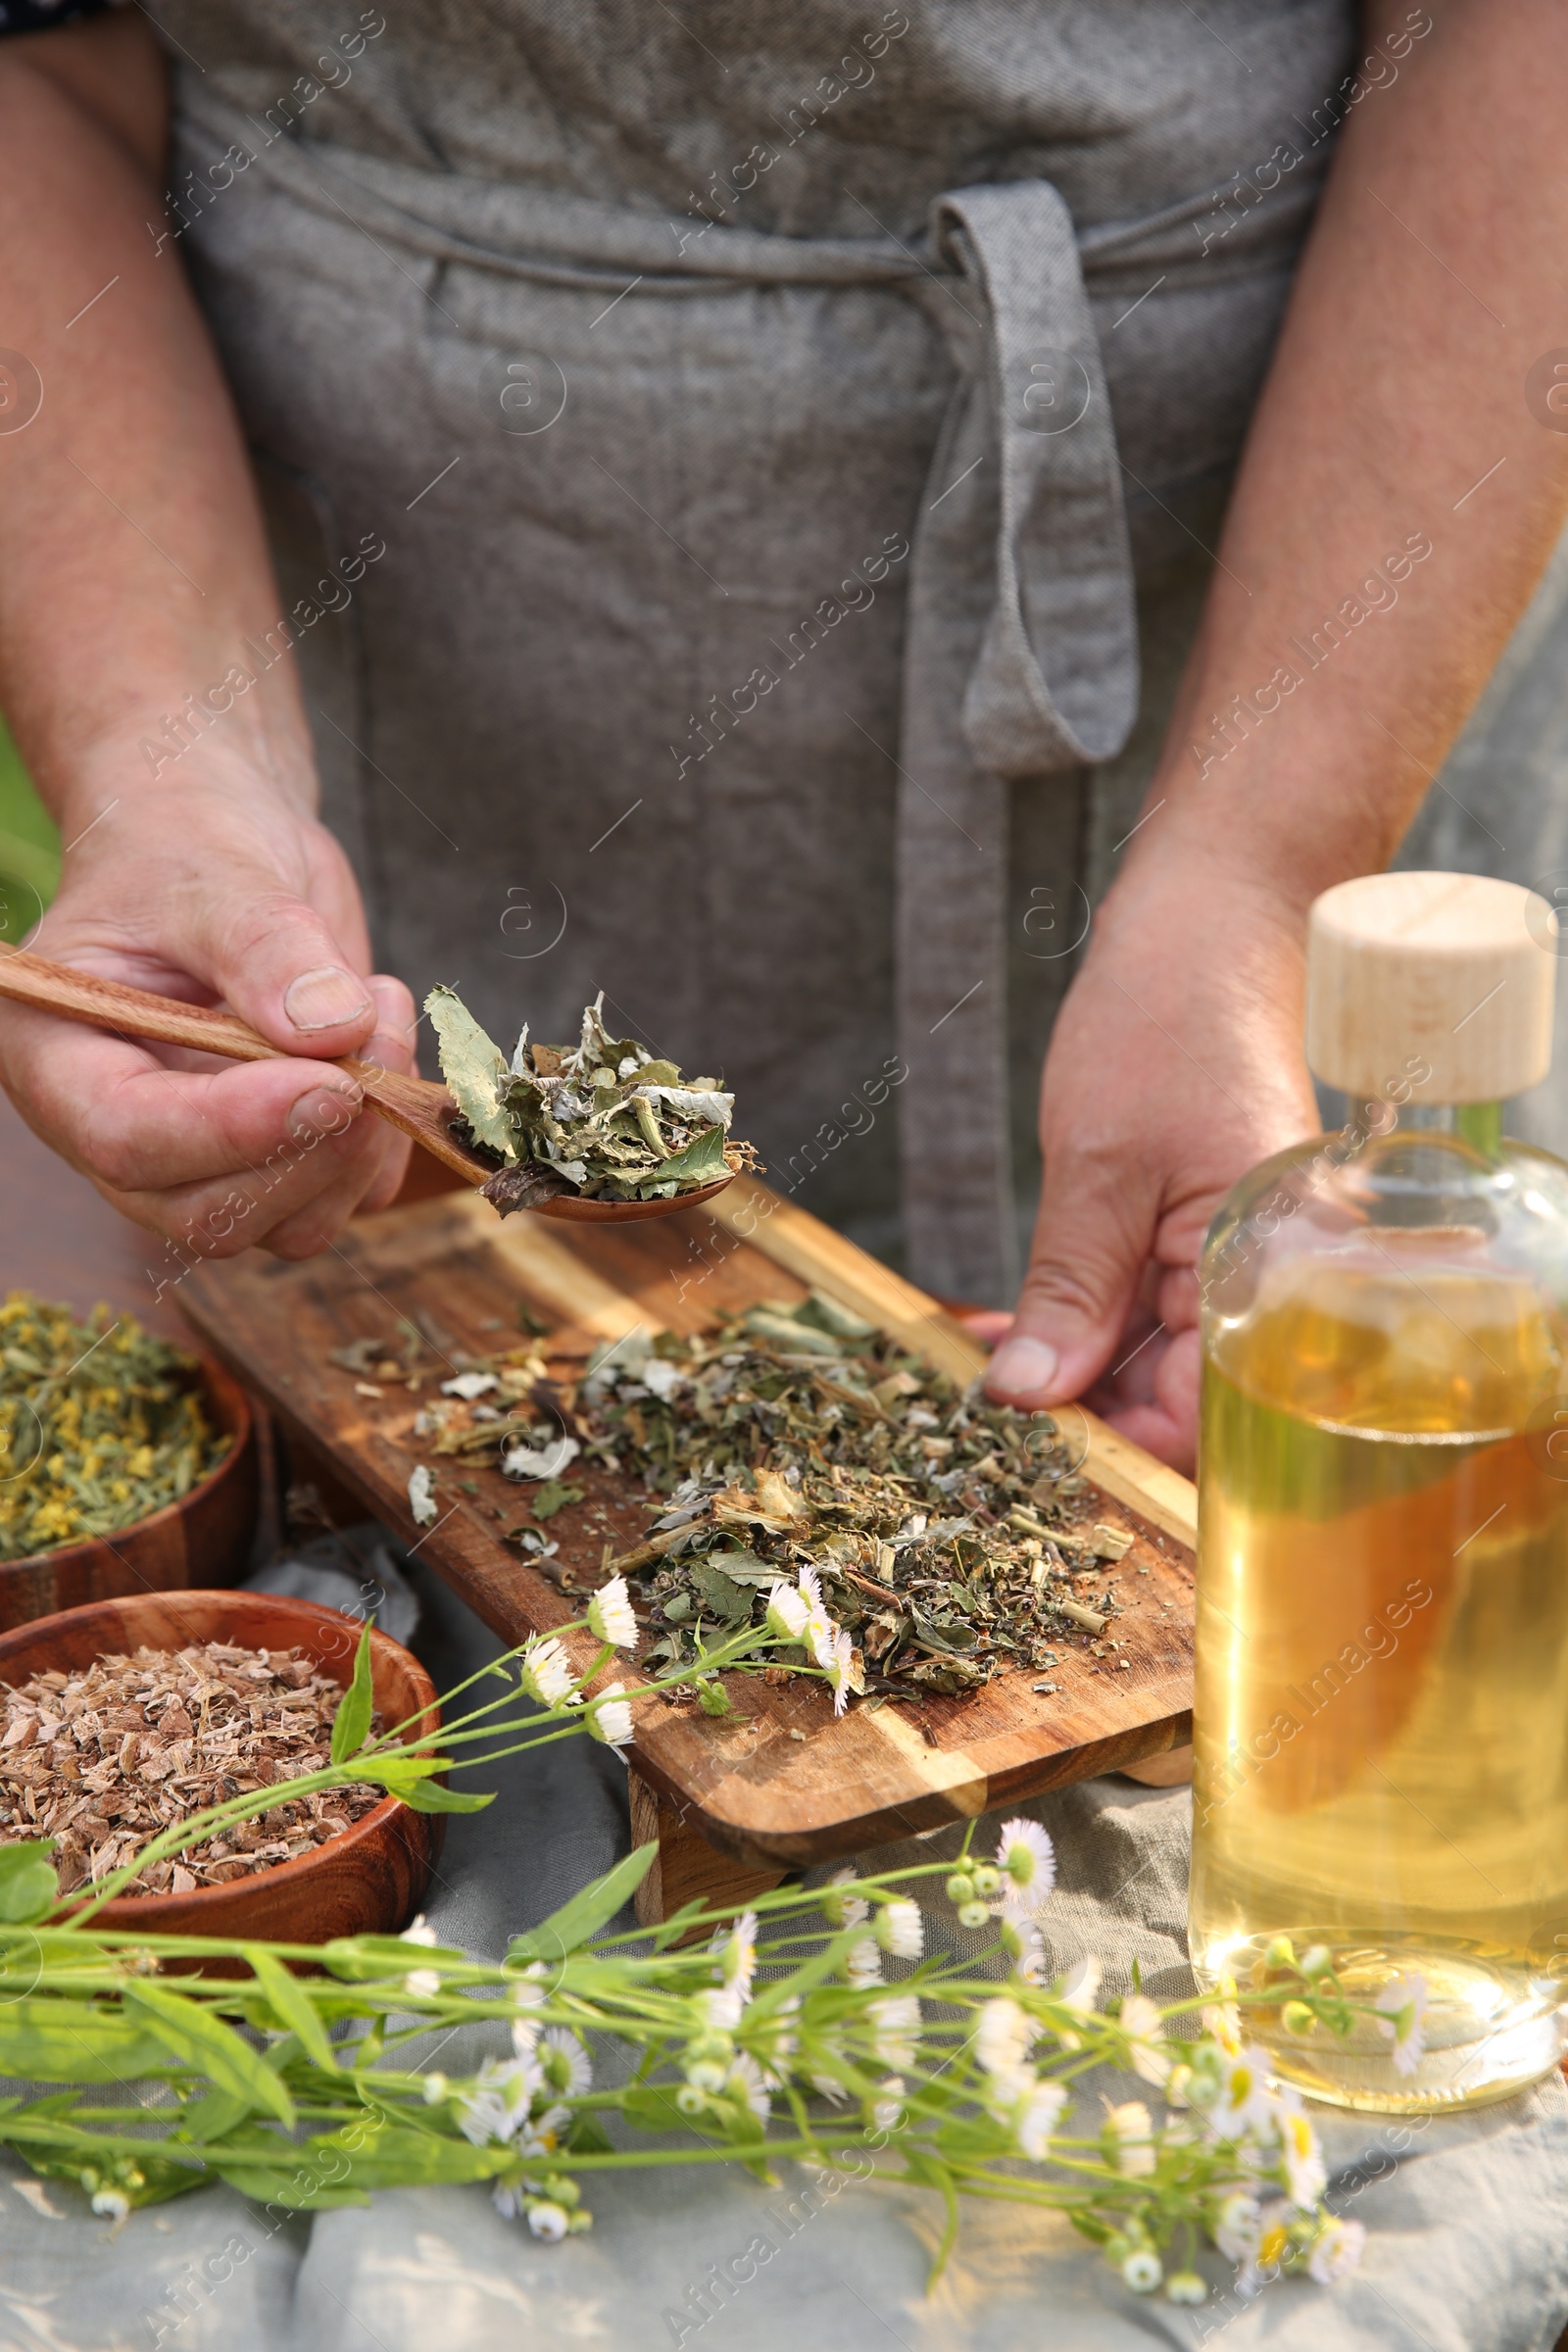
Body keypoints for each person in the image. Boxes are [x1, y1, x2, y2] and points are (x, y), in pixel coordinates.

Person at [0, 0, 1565, 1477]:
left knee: (1366, 1464)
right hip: (389, 629)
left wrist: (1248, 888)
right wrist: (174, 762)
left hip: (1312, 587)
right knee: (474, 1436)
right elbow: (38, 59)